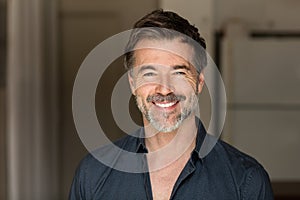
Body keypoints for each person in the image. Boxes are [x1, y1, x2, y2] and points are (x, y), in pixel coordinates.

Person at [69, 9, 274, 200]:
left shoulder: (246, 181)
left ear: (199, 82)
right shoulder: (92, 175)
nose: (165, 89)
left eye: (179, 73)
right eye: (150, 73)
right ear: (133, 84)